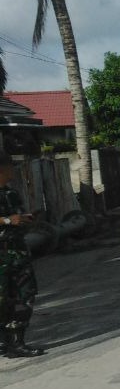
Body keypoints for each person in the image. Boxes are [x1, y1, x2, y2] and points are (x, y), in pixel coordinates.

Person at [0, 152, 44, 358]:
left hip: (17, 253)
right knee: (2, 299)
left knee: (25, 295)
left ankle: (17, 341)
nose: (12, 170)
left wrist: (25, 219)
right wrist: (8, 221)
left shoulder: (10, 193)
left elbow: (16, 217)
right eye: (9, 166)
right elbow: (9, 220)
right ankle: (4, 342)